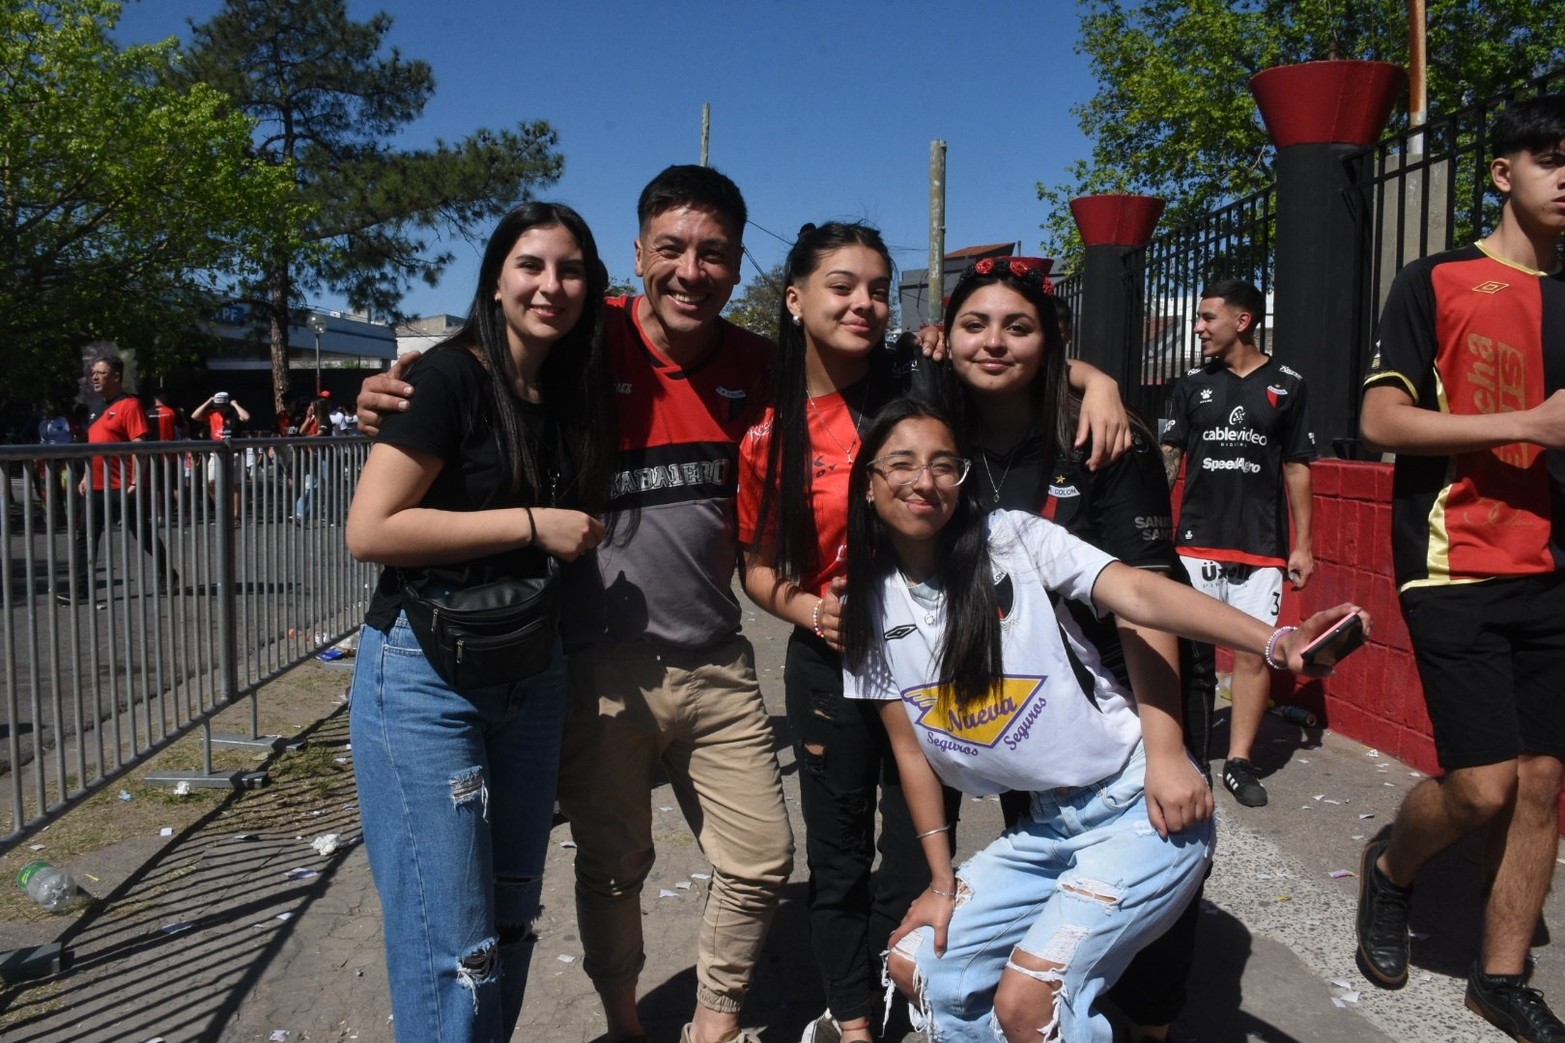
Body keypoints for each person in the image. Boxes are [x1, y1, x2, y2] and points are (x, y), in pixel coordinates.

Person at [358, 165, 793, 1043]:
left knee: (518, 910)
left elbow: (874, 382)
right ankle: (624, 1025)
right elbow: (461, 381)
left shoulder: (759, 363)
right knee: (527, 900)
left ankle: (707, 1027)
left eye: (712, 253)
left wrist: (1080, 372)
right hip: (537, 662)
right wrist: (394, 393)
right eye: (668, 249)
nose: (689, 269)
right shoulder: (584, 342)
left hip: (652, 661)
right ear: (635, 259)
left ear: (740, 263)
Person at [840, 397, 1366, 1043]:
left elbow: (1139, 593)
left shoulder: (1011, 538)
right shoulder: (863, 608)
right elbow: (912, 753)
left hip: (1139, 809)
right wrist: (942, 882)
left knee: (1030, 1003)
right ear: (867, 483)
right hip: (1044, 826)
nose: (924, 480)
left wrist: (1276, 639)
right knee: (920, 962)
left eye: (943, 465)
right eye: (901, 463)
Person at [343, 201, 612, 1042]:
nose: (550, 285)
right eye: (530, 265)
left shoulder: (569, 387)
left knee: (510, 921)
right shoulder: (448, 376)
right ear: (495, 279)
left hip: (530, 676)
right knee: (451, 944)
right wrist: (532, 522)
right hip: (426, 678)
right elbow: (371, 529)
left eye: (569, 269)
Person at [932, 257, 1214, 1042]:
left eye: (1017, 327)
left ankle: (1150, 1025)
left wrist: (1165, 750)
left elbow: (1146, 598)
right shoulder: (937, 431)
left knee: (1160, 868)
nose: (994, 343)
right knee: (1053, 852)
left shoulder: (1101, 438)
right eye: (974, 325)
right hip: (1037, 697)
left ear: (1050, 339)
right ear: (945, 337)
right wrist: (1101, 374)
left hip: (1140, 682)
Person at [1355, 95, 1565, 1041]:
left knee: (1543, 780)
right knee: (1481, 784)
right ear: (1501, 172)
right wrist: (1524, 424)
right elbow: (1380, 421)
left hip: (1556, 569)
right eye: (1550, 157)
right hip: (1453, 562)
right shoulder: (1435, 279)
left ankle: (1500, 973)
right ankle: (1391, 871)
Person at [1158, 278, 1317, 808]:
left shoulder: (1289, 384)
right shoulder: (1189, 386)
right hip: (1196, 544)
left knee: (1254, 656)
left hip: (1261, 546)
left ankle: (1241, 760)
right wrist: (1153, 533)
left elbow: (1296, 466)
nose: (1198, 328)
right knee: (1191, 657)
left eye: (1207, 318)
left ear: (1242, 322)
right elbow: (1170, 460)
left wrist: (1304, 544)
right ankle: (1187, 753)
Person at [59, 357, 177, 605]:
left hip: (122, 485)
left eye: (100, 373)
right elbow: (95, 446)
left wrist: (135, 481)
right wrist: (86, 476)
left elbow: (139, 446)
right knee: (85, 536)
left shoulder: (130, 405)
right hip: (96, 486)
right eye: (93, 373)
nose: (95, 377)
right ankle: (80, 589)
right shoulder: (95, 407)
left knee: (142, 534)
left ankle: (168, 575)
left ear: (115, 376)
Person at [292, 397, 333, 525]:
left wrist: (307, 439)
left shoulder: (325, 419)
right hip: (312, 456)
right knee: (309, 486)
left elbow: (321, 434)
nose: (310, 407)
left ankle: (330, 515)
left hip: (324, 456)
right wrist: (307, 418)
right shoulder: (312, 419)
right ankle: (300, 515)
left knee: (328, 486)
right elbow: (301, 431)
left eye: (312, 405)